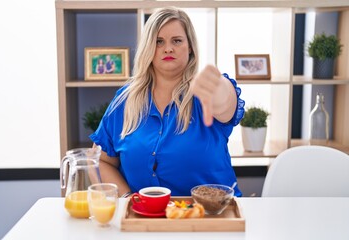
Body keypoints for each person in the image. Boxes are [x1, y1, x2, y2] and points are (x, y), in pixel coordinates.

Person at [90, 7, 245, 197]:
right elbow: (99, 161)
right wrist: (128, 200)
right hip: (146, 219)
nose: (168, 48)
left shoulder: (205, 92)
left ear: (190, 47)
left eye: (177, 41)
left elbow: (225, 103)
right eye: (159, 42)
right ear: (148, 47)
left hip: (213, 215)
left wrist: (218, 88)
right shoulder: (124, 100)